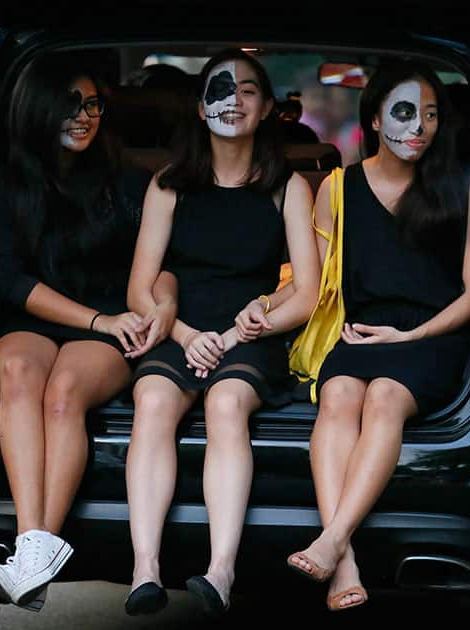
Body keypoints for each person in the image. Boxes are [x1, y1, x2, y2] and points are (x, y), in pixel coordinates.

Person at [123, 49, 321, 617]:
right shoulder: (169, 185)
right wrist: (185, 336)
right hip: (180, 329)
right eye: (219, 89)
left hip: (252, 334)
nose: (232, 100)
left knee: (228, 402)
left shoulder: (288, 187)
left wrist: (234, 337)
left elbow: (307, 296)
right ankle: (145, 569)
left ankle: (221, 571)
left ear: (268, 110)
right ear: (199, 105)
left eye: (248, 91)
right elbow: (139, 291)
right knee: (152, 398)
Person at [0, 55, 177, 612]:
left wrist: (162, 304)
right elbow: (13, 281)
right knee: (19, 375)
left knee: (64, 394)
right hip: (36, 318)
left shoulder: (126, 177)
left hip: (111, 318)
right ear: (38, 109)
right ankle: (32, 547)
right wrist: (95, 319)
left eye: (92, 105)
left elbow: (160, 259)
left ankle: (33, 554)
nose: (84, 117)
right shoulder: (1, 180)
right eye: (70, 105)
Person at [285, 61, 470, 611]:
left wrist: (411, 334)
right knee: (340, 395)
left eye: (431, 115)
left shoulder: (460, 188)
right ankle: (341, 557)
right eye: (404, 112)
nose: (418, 126)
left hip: (433, 335)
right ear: (374, 119)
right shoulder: (337, 187)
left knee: (385, 397)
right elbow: (313, 280)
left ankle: (330, 540)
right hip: (361, 335)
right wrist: (261, 308)